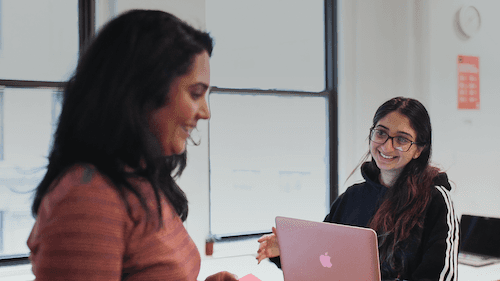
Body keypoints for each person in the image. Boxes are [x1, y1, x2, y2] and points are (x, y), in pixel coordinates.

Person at [27, 10, 237, 281]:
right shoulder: (89, 198)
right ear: (144, 90)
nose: (205, 112)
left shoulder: (141, 179)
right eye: (195, 93)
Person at [256, 97, 459, 281]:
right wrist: (285, 252)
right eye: (381, 133)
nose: (387, 147)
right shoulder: (352, 197)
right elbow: (323, 259)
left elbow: (442, 276)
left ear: (419, 150)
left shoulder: (436, 200)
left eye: (402, 139)